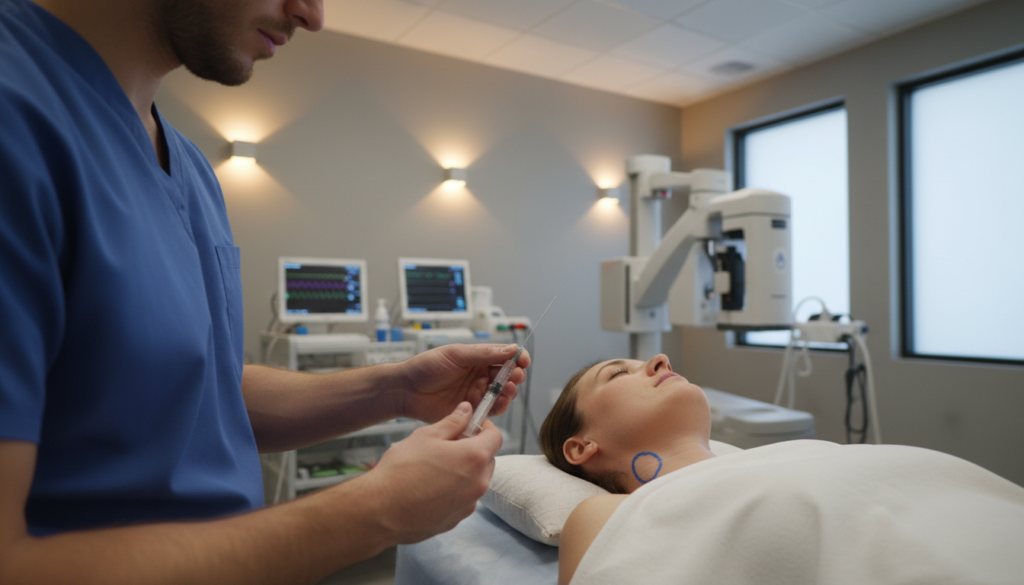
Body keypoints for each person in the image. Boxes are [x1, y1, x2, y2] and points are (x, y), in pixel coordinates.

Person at [0, 0, 529, 583]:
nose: (312, 15)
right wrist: (376, 511)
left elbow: (199, 391)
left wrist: (398, 388)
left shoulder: (190, 168)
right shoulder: (18, 113)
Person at [540, 354, 1024, 585]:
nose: (659, 359)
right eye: (619, 373)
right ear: (582, 447)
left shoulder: (804, 455)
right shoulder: (606, 514)